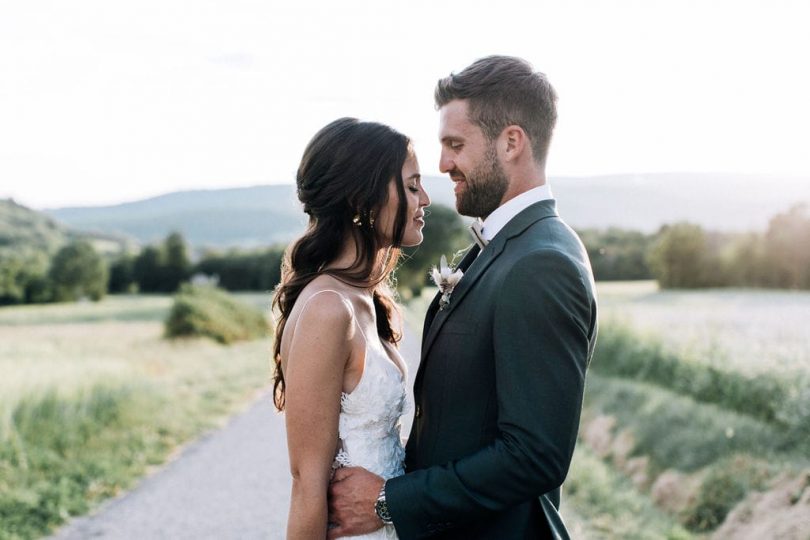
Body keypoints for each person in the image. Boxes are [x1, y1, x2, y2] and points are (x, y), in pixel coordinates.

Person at [327, 56, 598, 539]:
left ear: (511, 142)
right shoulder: (508, 247)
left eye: (455, 145)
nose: (443, 164)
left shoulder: (542, 262)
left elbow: (535, 454)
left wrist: (389, 502)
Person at [272, 117, 430, 539]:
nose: (425, 199)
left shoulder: (367, 298)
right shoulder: (328, 309)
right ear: (364, 198)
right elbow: (307, 485)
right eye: (412, 187)